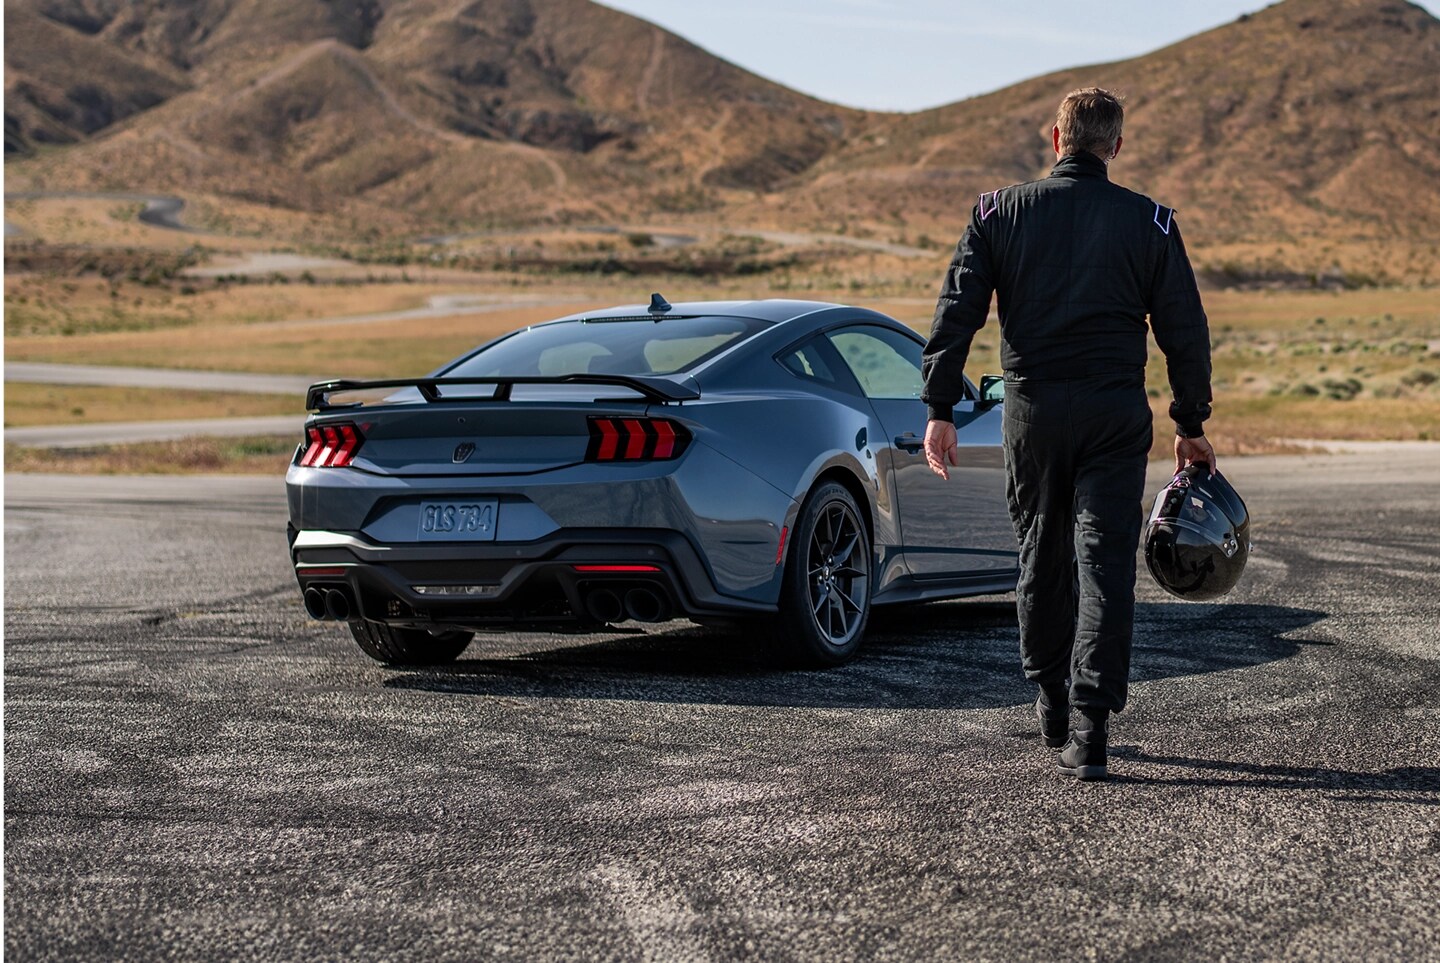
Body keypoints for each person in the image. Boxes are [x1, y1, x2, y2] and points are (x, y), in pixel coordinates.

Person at [920, 87, 1216, 781]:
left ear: (1056, 140)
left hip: (1032, 410)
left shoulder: (998, 213)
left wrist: (939, 405)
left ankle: (1051, 697)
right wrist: (1190, 423)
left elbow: (955, 310)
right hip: (1116, 412)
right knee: (1104, 560)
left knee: (1041, 551)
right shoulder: (1152, 223)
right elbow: (1185, 332)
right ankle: (1091, 725)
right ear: (1114, 146)